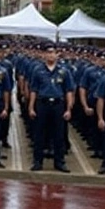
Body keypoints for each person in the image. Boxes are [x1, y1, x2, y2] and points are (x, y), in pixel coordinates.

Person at [25, 43, 73, 173]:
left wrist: (69, 109)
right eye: (48, 52)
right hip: (42, 103)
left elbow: (69, 91)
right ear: (43, 55)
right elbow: (33, 90)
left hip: (58, 104)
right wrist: (31, 107)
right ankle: (37, 161)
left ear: (57, 54)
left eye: (53, 52)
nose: (51, 55)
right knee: (39, 133)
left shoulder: (64, 71)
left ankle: (59, 162)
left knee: (59, 135)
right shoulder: (37, 70)